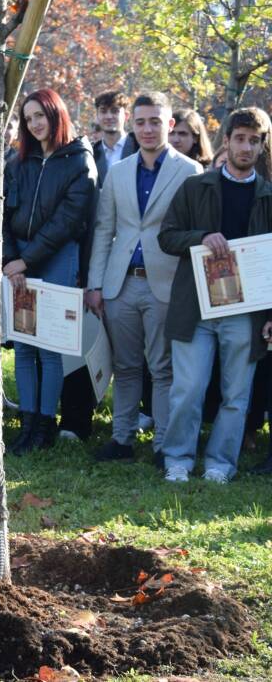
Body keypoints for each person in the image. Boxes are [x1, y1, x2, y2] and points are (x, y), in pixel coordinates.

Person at [86, 92, 202, 463]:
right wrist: (96, 284)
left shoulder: (189, 171)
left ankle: (163, 445)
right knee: (125, 365)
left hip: (166, 282)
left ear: (170, 124)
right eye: (141, 122)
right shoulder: (118, 172)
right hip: (121, 283)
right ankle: (122, 440)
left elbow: (192, 230)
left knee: (163, 367)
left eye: (155, 121)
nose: (148, 129)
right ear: (131, 125)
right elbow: (104, 230)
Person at [157, 108, 272, 484]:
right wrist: (201, 238)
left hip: (247, 309)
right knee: (188, 389)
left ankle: (221, 464)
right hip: (197, 305)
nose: (246, 147)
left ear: (262, 146)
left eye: (254, 141)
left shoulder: (269, 195)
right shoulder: (197, 186)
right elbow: (167, 236)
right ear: (226, 141)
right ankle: (178, 458)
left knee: (236, 393)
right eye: (240, 139)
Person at [3, 88, 98, 454]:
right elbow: (4, 215)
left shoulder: (79, 161)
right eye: (28, 119)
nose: (34, 124)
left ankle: (45, 425)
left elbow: (66, 221)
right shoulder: (18, 161)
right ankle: (27, 424)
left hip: (57, 257)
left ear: (55, 114)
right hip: (19, 259)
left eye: (40, 115)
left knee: (50, 347)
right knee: (25, 345)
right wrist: (11, 259)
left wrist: (26, 261)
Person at [92, 90, 138, 186]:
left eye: (114, 111)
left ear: (126, 116)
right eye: (103, 111)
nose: (109, 116)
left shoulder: (139, 148)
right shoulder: (91, 154)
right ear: (97, 116)